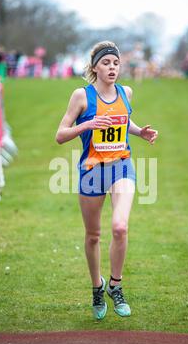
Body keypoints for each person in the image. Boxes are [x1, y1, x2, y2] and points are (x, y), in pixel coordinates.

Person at [55, 40, 158, 320]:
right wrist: (87, 124)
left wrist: (140, 132)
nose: (112, 67)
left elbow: (123, 123)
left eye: (115, 63)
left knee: (120, 227)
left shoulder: (126, 92)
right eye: (106, 63)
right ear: (95, 67)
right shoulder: (81, 96)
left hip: (121, 167)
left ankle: (115, 284)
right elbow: (60, 135)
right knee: (93, 236)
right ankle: (97, 287)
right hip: (91, 171)